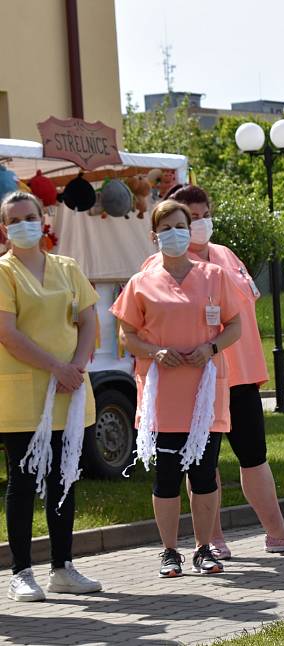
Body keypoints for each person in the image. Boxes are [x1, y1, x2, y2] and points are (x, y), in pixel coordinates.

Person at [143, 185, 284, 556]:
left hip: (242, 375)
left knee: (255, 456)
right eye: (192, 217)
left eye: (205, 213)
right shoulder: (162, 267)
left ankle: (277, 533)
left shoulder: (224, 254)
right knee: (204, 465)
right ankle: (212, 539)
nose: (200, 223)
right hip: (197, 381)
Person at [111, 199, 242, 578]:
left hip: (204, 392)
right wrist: (155, 352)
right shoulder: (142, 282)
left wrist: (211, 347)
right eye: (166, 227)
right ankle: (170, 551)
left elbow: (234, 326)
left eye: (180, 225)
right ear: (154, 236)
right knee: (167, 474)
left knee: (204, 473)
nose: (175, 233)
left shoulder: (214, 276)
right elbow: (127, 335)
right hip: (163, 395)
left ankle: (204, 548)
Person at [0, 191, 102, 601]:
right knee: (23, 482)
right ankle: (21, 571)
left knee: (65, 479)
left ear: (43, 220)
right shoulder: (4, 272)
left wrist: (75, 366)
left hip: (68, 392)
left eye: (30, 216)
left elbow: (89, 319)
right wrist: (56, 368)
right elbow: (7, 333)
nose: (24, 223)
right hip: (24, 396)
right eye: (15, 219)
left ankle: (63, 567)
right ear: (4, 229)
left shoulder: (67, 266)